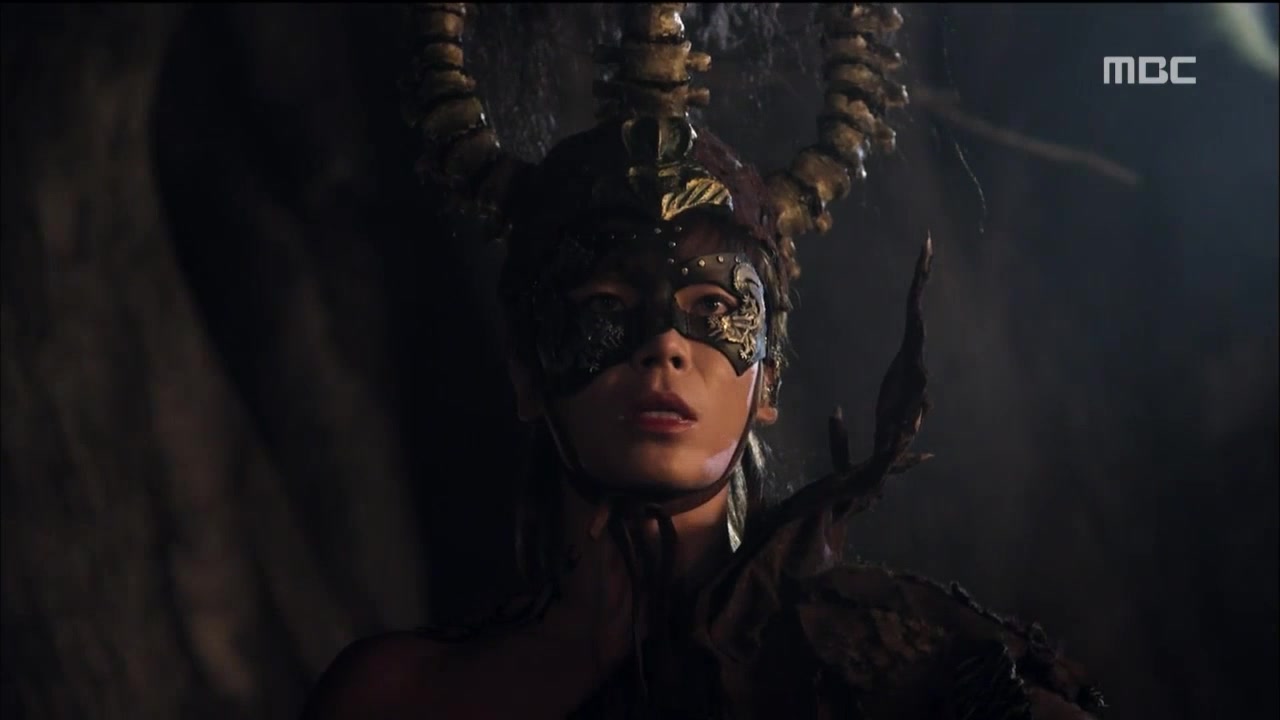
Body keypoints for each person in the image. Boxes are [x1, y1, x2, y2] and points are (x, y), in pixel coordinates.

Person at [300, 3, 1108, 718]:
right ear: (527, 371)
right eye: (606, 305)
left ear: (770, 378)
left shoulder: (902, 672)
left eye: (715, 309)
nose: (664, 345)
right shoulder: (396, 697)